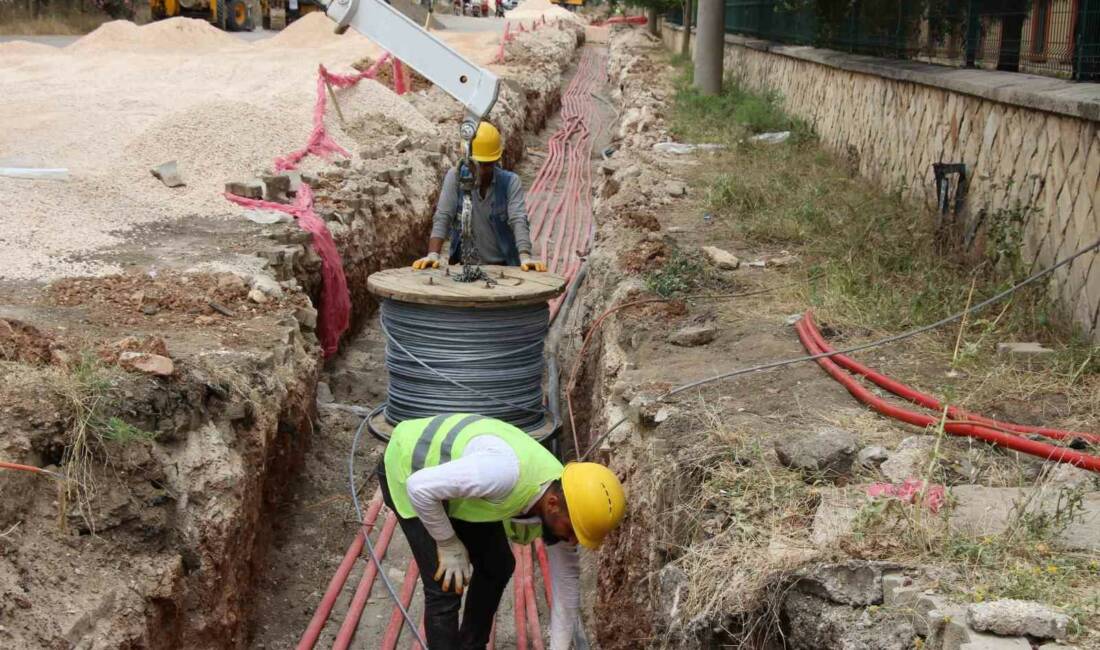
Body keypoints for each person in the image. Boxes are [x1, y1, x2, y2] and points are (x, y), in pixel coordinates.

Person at [377, 413, 626, 650]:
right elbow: (419, 488)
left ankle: (471, 647)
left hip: (453, 485)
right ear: (552, 504)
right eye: (572, 530)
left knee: (497, 564)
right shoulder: (501, 474)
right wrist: (449, 543)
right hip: (410, 468)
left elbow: (566, 585)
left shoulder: (564, 496)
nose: (572, 540)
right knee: (446, 585)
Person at [412, 122, 547, 272]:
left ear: (496, 160)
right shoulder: (455, 177)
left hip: (504, 266)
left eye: (487, 165)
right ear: (467, 159)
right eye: (477, 164)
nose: (481, 171)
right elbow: (443, 215)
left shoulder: (510, 182)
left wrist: (525, 256)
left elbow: (518, 219)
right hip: (466, 266)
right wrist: (432, 254)